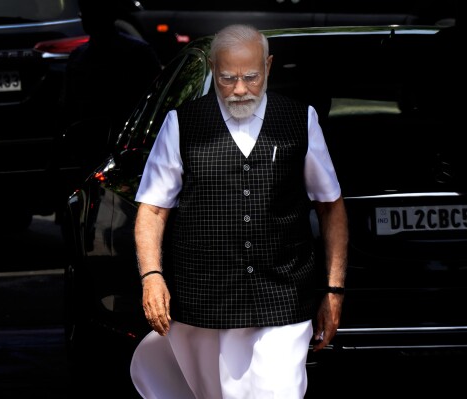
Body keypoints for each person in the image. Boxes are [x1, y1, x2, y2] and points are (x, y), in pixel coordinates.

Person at [131, 24, 348, 399]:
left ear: (269, 66)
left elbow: (331, 207)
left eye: (251, 76)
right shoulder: (181, 124)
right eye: (228, 78)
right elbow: (152, 210)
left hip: (284, 295)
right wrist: (152, 276)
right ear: (213, 68)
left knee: (280, 391)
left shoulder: (300, 121)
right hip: (203, 301)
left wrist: (333, 290)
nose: (240, 89)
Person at [62, 0, 163, 147]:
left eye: (89, 13)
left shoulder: (79, 58)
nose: (84, 18)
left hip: (117, 144)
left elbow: (66, 109)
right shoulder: (139, 52)